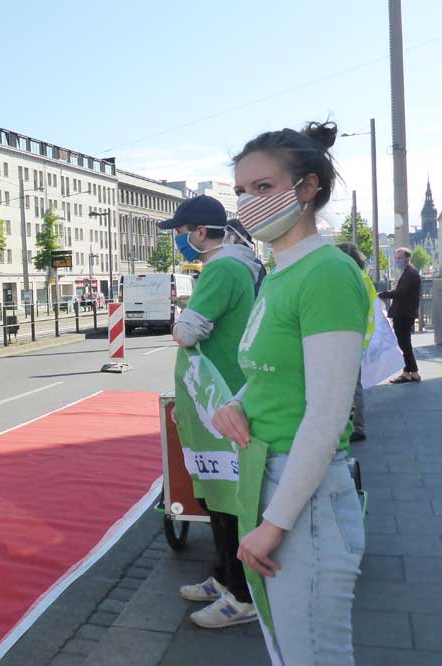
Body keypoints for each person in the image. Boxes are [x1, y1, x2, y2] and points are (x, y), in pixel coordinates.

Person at [212, 121, 369, 665]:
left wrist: (273, 523)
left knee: (313, 656)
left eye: (262, 188)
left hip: (305, 494)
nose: (246, 202)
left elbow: (327, 413)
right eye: (239, 190)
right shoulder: (279, 273)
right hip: (275, 476)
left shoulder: (325, 273)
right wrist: (237, 406)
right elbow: (272, 375)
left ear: (306, 189)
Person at [159, 196, 261, 629]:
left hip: (219, 400)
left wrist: (178, 326)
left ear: (201, 232)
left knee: (226, 499)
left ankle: (241, 595)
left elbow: (187, 332)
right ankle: (224, 579)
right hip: (216, 399)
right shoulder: (239, 265)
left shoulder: (221, 268)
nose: (179, 240)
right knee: (217, 495)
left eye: (181, 232)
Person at [337, 242, 377, 442]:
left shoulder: (352, 278)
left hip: (350, 338)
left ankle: (357, 426)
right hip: (359, 337)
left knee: (351, 386)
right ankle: (357, 424)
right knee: (354, 385)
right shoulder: (363, 278)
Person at [379, 247, 422, 383]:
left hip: (404, 313)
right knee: (404, 343)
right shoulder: (408, 272)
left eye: (399, 258)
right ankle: (409, 372)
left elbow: (400, 293)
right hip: (404, 313)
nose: (396, 260)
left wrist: (381, 294)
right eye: (396, 258)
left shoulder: (410, 274)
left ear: (407, 258)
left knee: (404, 343)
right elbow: (400, 290)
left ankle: (411, 372)